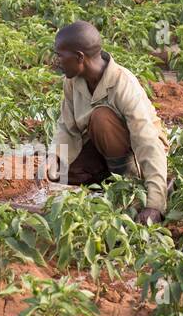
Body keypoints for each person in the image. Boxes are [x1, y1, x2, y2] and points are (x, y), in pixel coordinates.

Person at [43, 21, 169, 225]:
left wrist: (154, 204)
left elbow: (147, 141)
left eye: (61, 55)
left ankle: (127, 184)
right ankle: (108, 178)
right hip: (102, 147)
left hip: (135, 153)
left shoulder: (123, 84)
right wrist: (55, 156)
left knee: (101, 117)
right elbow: (67, 126)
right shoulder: (72, 81)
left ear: (80, 57)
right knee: (58, 172)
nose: (57, 61)